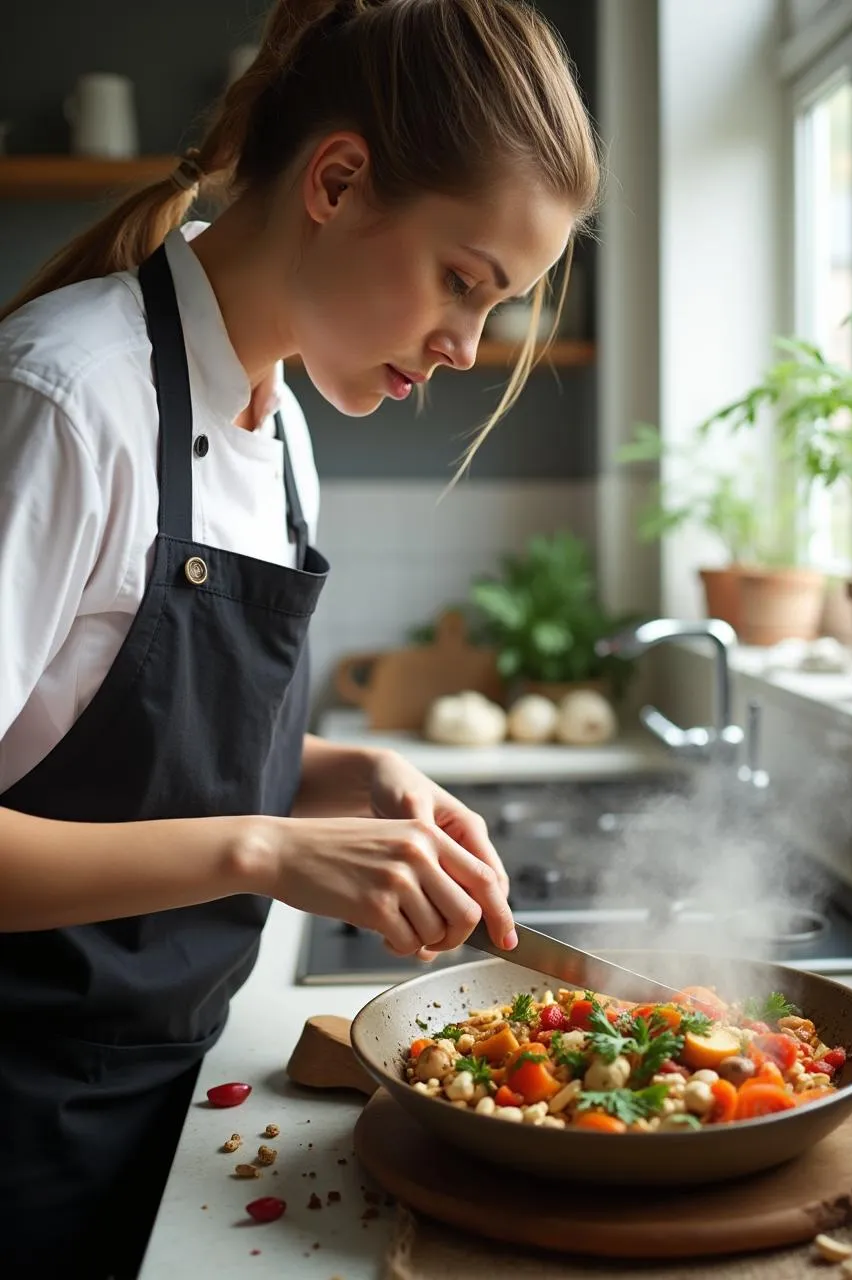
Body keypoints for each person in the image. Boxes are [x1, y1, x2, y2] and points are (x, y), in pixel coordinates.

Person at [0, 0, 600, 1273]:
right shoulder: (67, 400)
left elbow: (109, 730)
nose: (465, 345)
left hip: (176, 1083)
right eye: (464, 281)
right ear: (335, 179)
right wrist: (268, 845)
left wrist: (345, 772)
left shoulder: (283, 429)